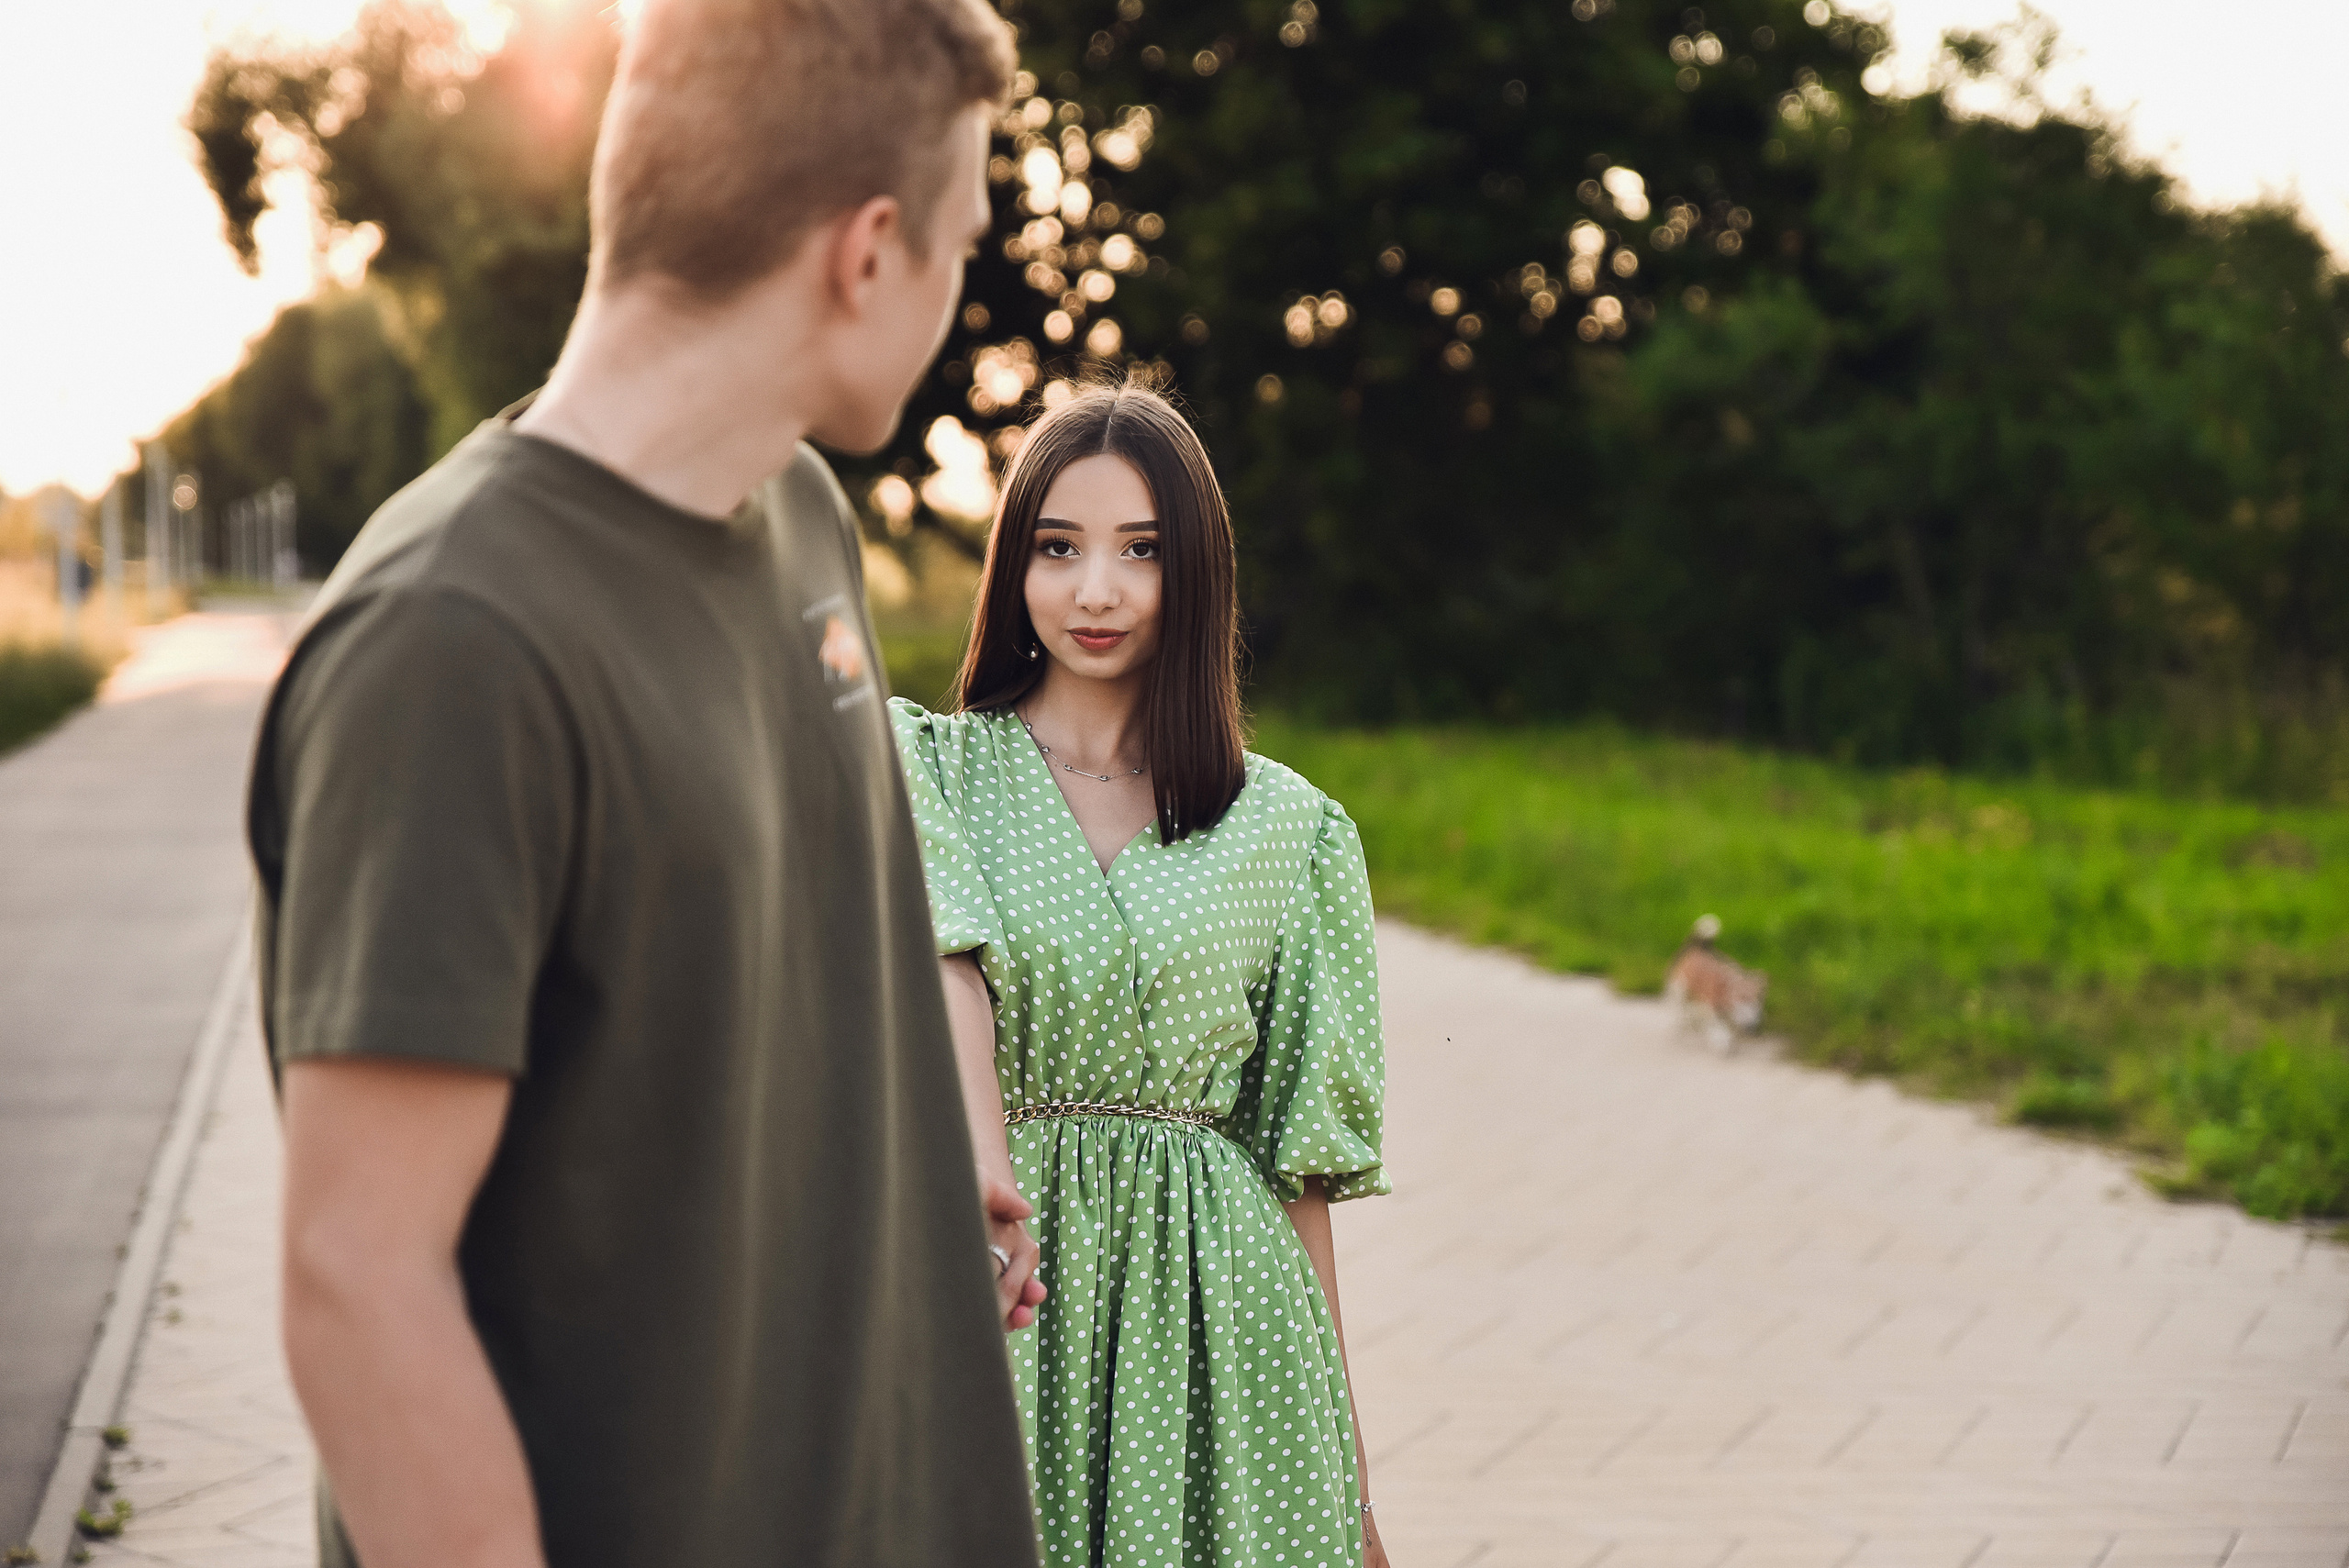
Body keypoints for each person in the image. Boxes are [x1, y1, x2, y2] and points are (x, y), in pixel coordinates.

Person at [244, 3, 1046, 1564]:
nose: (958, 289)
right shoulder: (451, 639)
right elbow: (357, 1277)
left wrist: (896, 1187)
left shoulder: (800, 519)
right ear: (867, 252)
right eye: (960, 244)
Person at [889, 382, 1396, 1567]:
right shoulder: (930, 767)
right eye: (1059, 547)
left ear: (1197, 572)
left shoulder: (1294, 831)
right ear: (1015, 566)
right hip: (1001, 1289)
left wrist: (1351, 1475)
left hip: (1225, 1336)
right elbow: (942, 970)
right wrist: (985, 1174)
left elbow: (1298, 1178)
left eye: (1142, 550)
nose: (1097, 591)